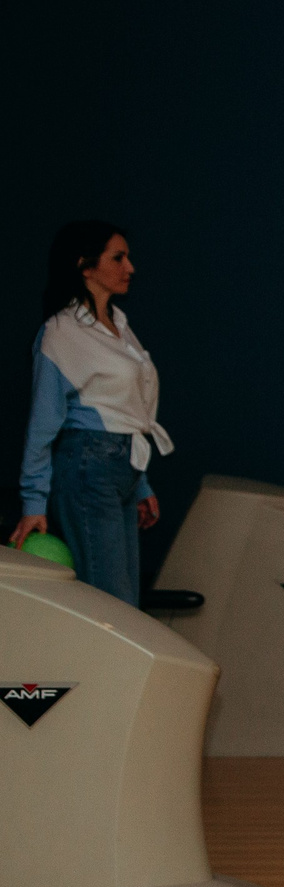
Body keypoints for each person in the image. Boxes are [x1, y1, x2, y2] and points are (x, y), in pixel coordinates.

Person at [14, 223, 170, 606]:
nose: (130, 267)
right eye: (118, 258)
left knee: (126, 601)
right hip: (89, 467)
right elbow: (43, 424)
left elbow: (124, 407)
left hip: (121, 467)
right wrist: (34, 502)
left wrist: (141, 482)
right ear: (85, 265)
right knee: (110, 603)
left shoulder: (118, 325)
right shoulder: (61, 332)